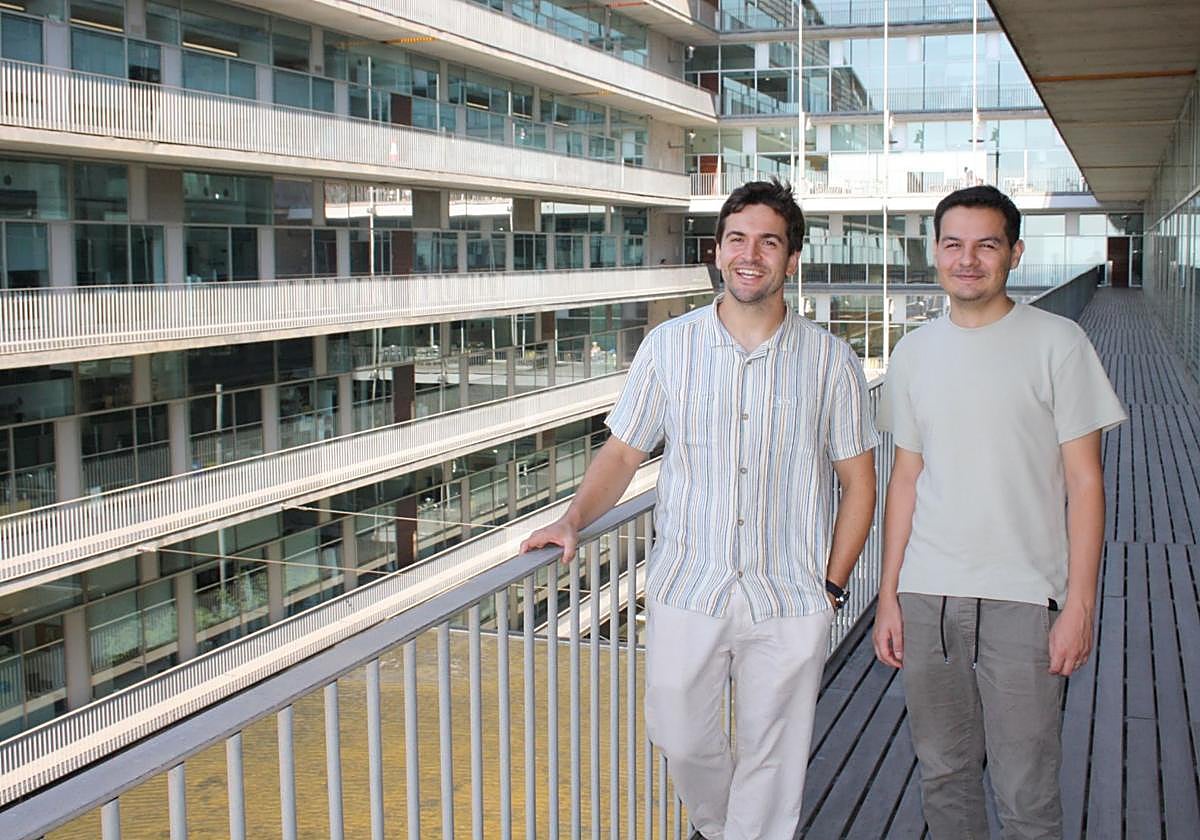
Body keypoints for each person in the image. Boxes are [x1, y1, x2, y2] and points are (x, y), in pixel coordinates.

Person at [521, 180, 878, 840]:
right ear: (717, 253)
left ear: (791, 258)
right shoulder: (669, 347)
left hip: (790, 594)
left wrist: (831, 588)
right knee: (679, 733)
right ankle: (721, 829)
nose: (751, 254)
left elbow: (860, 483)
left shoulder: (832, 362)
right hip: (690, 585)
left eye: (769, 241)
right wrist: (571, 521)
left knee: (774, 762)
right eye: (737, 239)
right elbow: (622, 454)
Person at [873, 185, 1126, 839]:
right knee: (945, 777)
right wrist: (889, 595)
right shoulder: (912, 354)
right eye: (953, 244)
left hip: (1024, 601)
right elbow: (906, 479)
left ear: (1014, 253)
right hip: (928, 597)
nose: (968, 259)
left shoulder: (1059, 343)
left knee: (1027, 794)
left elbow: (1086, 483)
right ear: (935, 253)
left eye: (986, 245)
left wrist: (1080, 606)